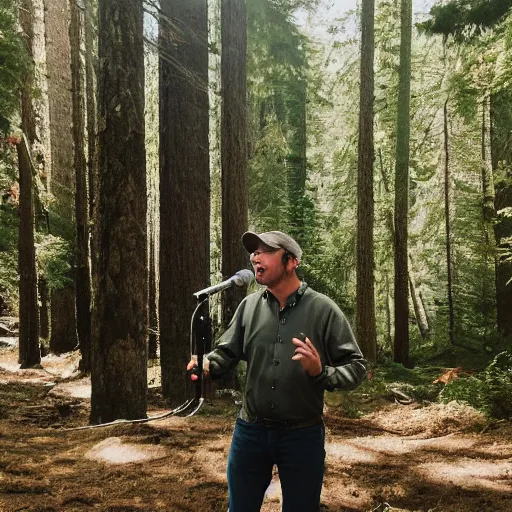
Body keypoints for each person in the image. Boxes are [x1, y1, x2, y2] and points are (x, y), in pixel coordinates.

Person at [187, 230, 367, 512]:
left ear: (291, 261)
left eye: (265, 251)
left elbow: (356, 368)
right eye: (253, 252)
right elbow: (226, 352)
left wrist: (321, 372)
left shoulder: (323, 310)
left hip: (301, 436)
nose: (255, 257)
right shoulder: (249, 307)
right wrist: (208, 363)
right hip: (250, 433)